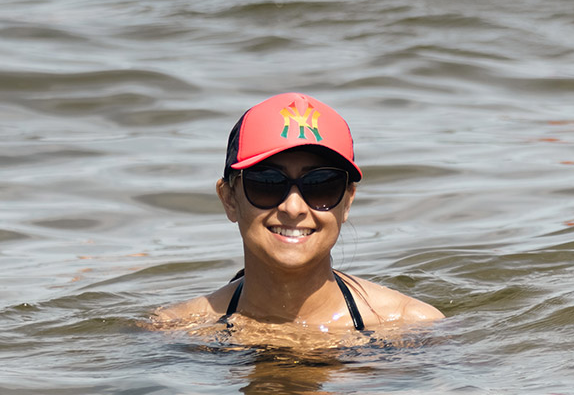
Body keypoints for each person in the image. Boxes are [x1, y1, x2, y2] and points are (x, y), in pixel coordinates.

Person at [153, 92, 443, 336]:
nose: (293, 208)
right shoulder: (175, 329)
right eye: (267, 182)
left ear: (347, 201)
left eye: (321, 185)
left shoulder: (412, 327)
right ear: (229, 199)